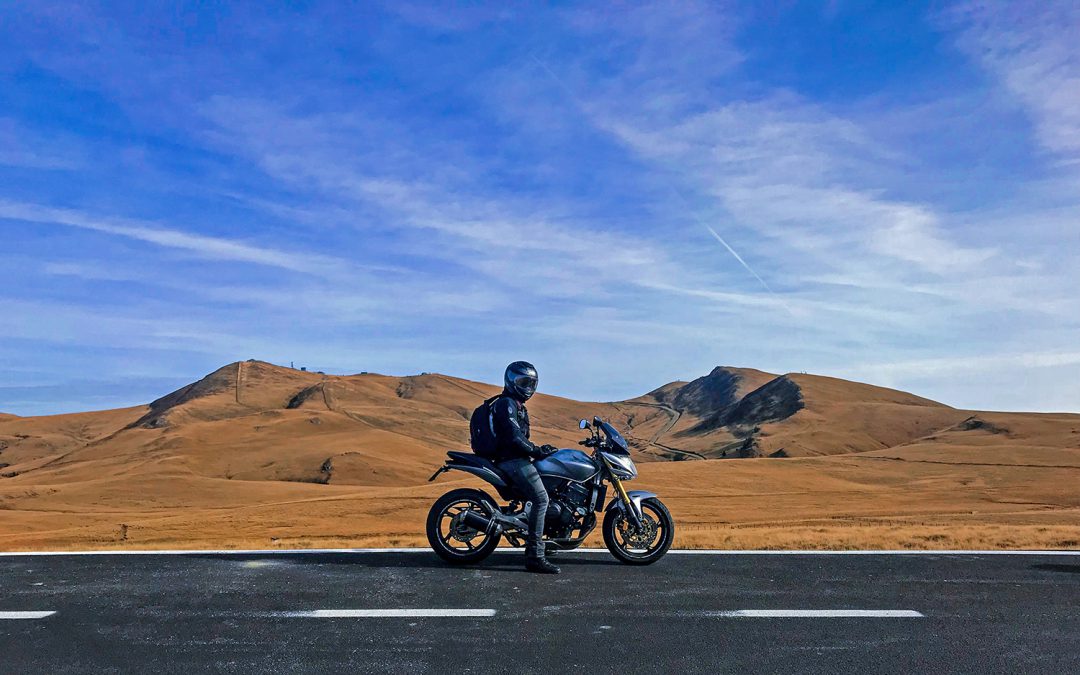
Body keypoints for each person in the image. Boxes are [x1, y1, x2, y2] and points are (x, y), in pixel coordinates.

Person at [490, 361, 560, 574]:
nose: (528, 387)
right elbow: (513, 437)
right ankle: (534, 556)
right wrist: (536, 451)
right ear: (511, 381)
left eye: (531, 383)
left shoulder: (517, 405)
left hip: (517, 459)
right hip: (511, 461)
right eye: (524, 382)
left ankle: (540, 539)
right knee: (541, 499)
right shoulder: (506, 404)